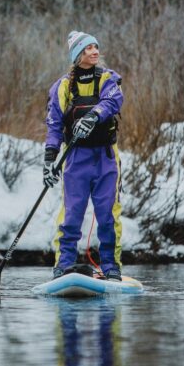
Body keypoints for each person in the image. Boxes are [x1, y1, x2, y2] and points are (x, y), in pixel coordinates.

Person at [43, 30, 124, 281]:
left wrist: (93, 116)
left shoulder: (108, 79)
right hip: (76, 159)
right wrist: (49, 159)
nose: (94, 51)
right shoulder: (63, 86)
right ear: (78, 54)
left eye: (96, 47)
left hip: (106, 157)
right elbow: (54, 124)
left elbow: (113, 101)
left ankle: (110, 267)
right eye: (88, 48)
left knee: (108, 216)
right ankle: (63, 266)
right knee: (71, 216)